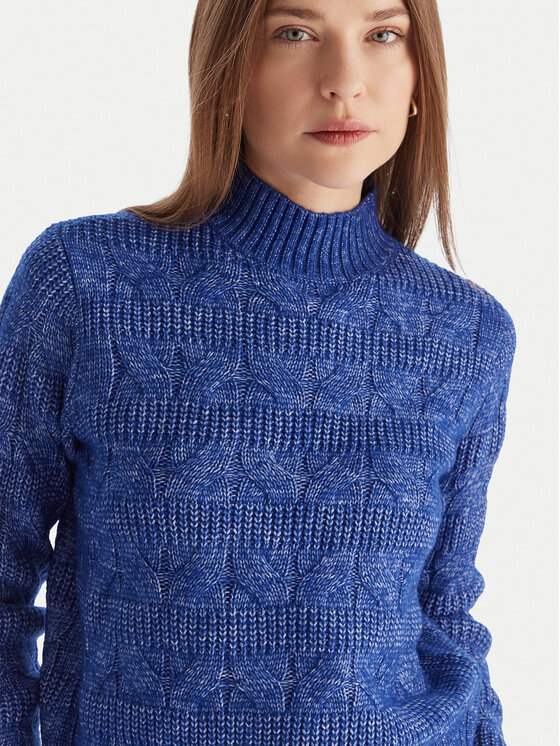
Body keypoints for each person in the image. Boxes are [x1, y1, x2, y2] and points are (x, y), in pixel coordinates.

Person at [0, 0, 516, 744]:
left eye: (383, 34)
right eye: (294, 33)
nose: (345, 80)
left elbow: (445, 608)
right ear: (229, 67)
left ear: (419, 80)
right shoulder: (86, 283)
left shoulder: (467, 332)